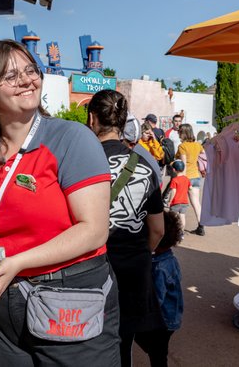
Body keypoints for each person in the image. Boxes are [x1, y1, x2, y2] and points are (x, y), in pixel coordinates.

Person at [0, 40, 121, 367]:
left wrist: (17, 261)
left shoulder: (71, 139)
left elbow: (94, 230)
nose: (27, 80)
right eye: (12, 76)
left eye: (31, 70)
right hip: (0, 309)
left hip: (68, 301)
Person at [87, 89, 165, 367]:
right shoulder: (144, 165)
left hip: (90, 269)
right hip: (133, 271)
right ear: (123, 124)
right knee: (123, 343)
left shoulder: (81, 162)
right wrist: (138, 252)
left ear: (92, 119)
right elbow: (157, 230)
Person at [135, 210, 184, 367]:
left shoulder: (159, 267)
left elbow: (156, 299)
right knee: (157, 350)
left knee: (157, 353)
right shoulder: (170, 259)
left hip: (162, 320)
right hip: (170, 317)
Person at [176, 123, 205, 236]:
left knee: (181, 204)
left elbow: (183, 164)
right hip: (196, 176)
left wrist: (180, 179)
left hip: (186, 177)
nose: (178, 133)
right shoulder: (198, 145)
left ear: (183, 133)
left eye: (179, 131)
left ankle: (180, 230)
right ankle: (201, 226)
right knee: (196, 203)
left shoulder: (182, 146)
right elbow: (203, 154)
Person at [123, 116, 162, 182]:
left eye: (150, 133)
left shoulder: (151, 142)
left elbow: (159, 156)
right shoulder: (137, 144)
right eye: (146, 133)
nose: (148, 135)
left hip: (152, 170)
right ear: (141, 133)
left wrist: (154, 139)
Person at [165, 160, 190, 231]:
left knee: (173, 217)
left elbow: (173, 191)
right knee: (182, 216)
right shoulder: (186, 179)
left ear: (174, 169)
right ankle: (181, 231)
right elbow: (190, 188)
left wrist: (170, 201)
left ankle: (173, 231)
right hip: (184, 202)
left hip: (175, 202)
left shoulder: (175, 180)